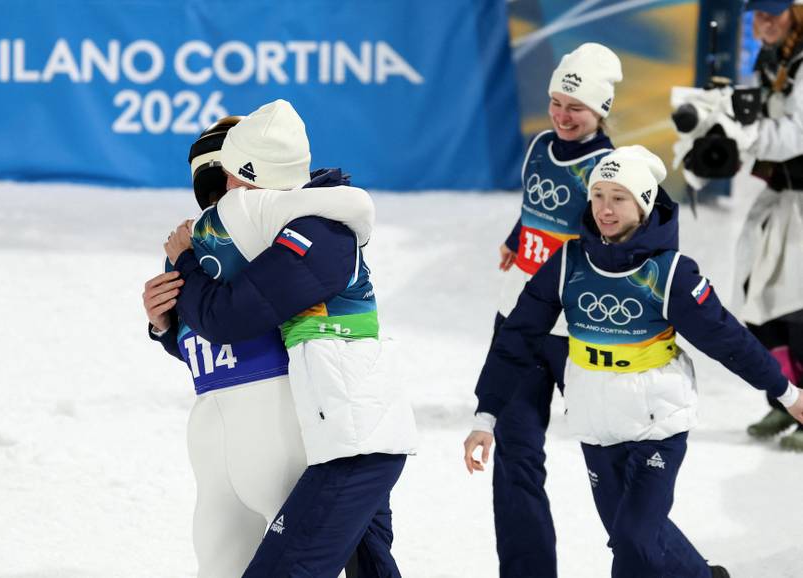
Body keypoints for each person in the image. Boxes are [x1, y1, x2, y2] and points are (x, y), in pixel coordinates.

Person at [474, 144, 803, 578]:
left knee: (633, 541)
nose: (605, 209)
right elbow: (517, 336)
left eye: (619, 198)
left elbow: (727, 340)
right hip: (597, 422)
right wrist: (486, 415)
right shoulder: (569, 261)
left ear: (644, 204)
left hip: (657, 423)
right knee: (632, 535)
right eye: (598, 196)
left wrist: (785, 391)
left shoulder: (670, 274)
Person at [163, 99, 418, 578]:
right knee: (370, 565)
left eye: (232, 181)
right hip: (334, 430)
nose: (226, 197)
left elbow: (234, 315)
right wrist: (165, 323)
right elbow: (217, 338)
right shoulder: (275, 229)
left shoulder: (320, 233)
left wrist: (187, 266)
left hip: (347, 442)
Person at [463, 42, 620, 577]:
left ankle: (668, 564)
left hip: (578, 332)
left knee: (613, 459)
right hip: (519, 321)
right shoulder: (537, 147)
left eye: (575, 107)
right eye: (556, 102)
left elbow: (625, 244)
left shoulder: (609, 171)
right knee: (516, 456)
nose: (562, 114)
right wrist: (517, 236)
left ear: (600, 110)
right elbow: (536, 204)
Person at [734, 0, 803, 452]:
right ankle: (785, 398)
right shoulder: (767, 59)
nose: (767, 22)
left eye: (775, 11)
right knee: (754, 296)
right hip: (781, 192)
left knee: (797, 307)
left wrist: (745, 132)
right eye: (759, 14)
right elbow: (751, 112)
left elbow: (795, 132)